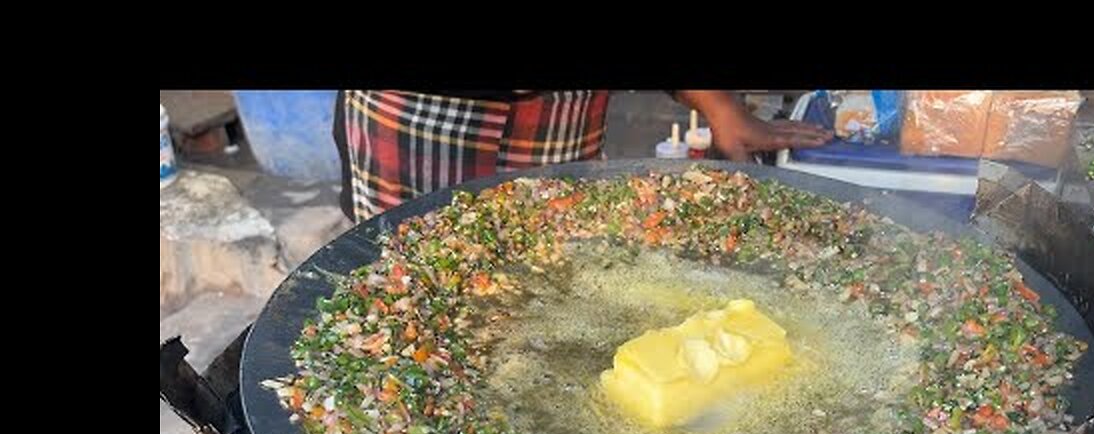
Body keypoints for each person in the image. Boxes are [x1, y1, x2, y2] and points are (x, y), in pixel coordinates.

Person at [333, 90, 832, 223]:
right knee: (422, 297)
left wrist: (720, 106)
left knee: (557, 277)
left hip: (563, 121)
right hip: (427, 122)